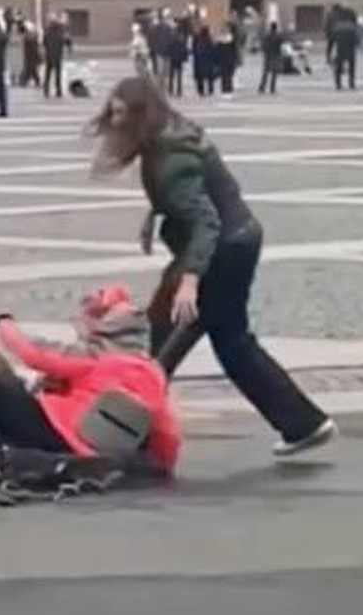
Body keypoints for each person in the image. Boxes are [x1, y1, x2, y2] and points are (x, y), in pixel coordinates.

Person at [86, 75, 337, 457]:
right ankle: (303, 423)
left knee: (164, 341)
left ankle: (133, 438)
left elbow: (206, 220)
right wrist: (156, 216)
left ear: (140, 114)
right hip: (237, 241)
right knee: (232, 341)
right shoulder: (171, 136)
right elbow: (191, 197)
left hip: (219, 251)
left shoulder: (170, 157)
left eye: (121, 113)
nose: (114, 121)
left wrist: (189, 281)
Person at [0, 285, 181, 481]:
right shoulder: (154, 374)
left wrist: (4, 323)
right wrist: (161, 465)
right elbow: (166, 430)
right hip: (90, 447)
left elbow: (33, 356)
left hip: (55, 428)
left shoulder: (100, 364)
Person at [41, 13, 69, 98]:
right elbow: (65, 41)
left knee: (48, 73)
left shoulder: (47, 31)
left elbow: (44, 42)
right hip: (57, 55)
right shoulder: (60, 31)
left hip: (49, 54)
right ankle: (58, 90)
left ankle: (46, 90)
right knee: (57, 74)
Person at [331, 7, 359, 91]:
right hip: (351, 49)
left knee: (338, 67)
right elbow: (357, 39)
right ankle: (351, 84)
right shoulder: (353, 27)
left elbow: (333, 38)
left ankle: (338, 84)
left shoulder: (337, 26)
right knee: (352, 67)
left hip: (340, 49)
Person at [257, 22, 284, 95]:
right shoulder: (278, 36)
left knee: (265, 73)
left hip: (267, 56)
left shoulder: (266, 36)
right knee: (274, 73)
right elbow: (283, 42)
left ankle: (262, 87)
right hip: (276, 55)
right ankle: (272, 88)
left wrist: (265, 51)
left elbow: (263, 45)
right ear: (276, 28)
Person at [191, 24, 216, 97]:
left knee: (200, 77)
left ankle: (201, 90)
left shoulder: (198, 39)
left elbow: (194, 49)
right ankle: (211, 89)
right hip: (208, 61)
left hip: (199, 61)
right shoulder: (209, 40)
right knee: (210, 77)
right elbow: (213, 50)